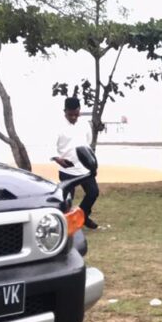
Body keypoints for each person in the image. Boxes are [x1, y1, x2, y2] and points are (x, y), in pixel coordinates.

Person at [53, 97, 99, 229]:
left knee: (93, 192)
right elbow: (50, 146)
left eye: (76, 114)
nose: (73, 117)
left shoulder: (84, 124)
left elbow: (88, 142)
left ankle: (82, 216)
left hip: (84, 168)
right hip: (67, 169)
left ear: (79, 110)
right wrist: (58, 159)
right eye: (70, 114)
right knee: (67, 200)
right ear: (65, 111)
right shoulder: (57, 126)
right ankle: (64, 226)